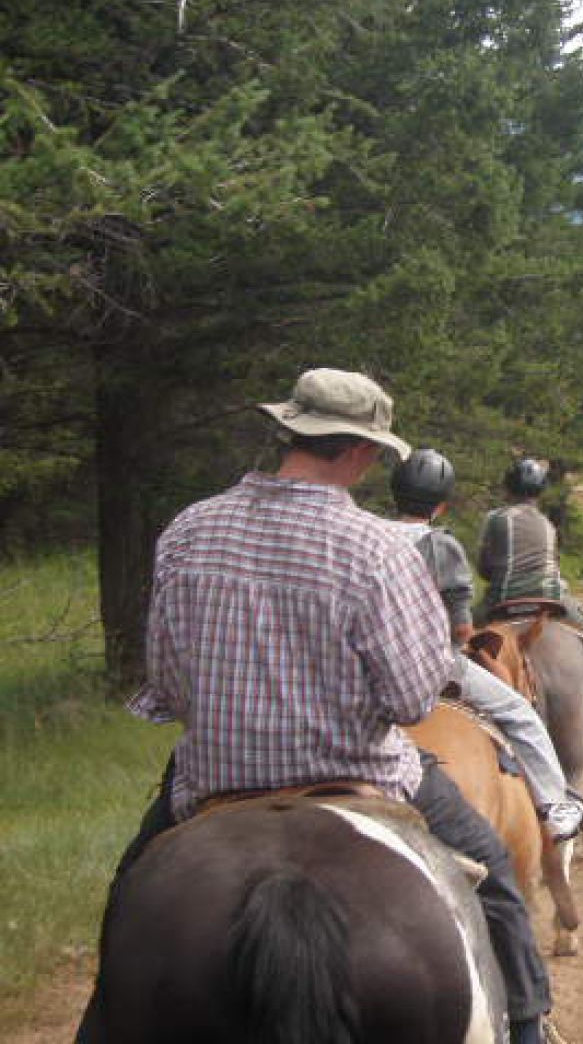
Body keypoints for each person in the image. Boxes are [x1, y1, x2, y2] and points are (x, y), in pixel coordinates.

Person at [82, 369, 553, 1044]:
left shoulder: (189, 530)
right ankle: (530, 1024)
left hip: (212, 780)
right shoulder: (377, 549)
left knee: (131, 891)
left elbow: (168, 681)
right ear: (362, 452)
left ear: (289, 431)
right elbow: (411, 697)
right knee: (495, 872)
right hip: (365, 774)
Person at [389, 446, 583, 842]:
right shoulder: (443, 543)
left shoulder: (371, 535)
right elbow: (463, 630)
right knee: (520, 712)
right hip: (436, 664)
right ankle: (554, 804)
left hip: (378, 661)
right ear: (443, 506)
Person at [476, 458, 583, 729]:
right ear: (539, 491)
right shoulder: (547, 524)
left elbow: (485, 567)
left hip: (502, 599)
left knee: (460, 636)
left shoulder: (495, 519)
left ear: (508, 489)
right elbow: (553, 563)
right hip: (550, 598)